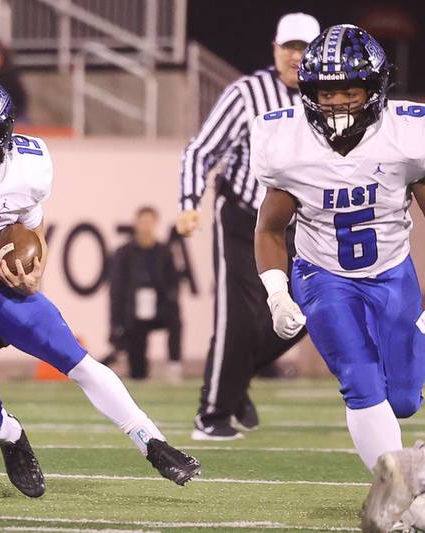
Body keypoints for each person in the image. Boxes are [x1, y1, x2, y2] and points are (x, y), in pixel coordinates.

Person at [0, 72, 201, 499]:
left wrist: (37, 271)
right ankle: (12, 437)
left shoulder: (27, 168)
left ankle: (153, 442)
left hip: (0, 292)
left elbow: (34, 229)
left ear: (1, 132)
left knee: (77, 360)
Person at [252, 23, 425, 525]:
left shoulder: (407, 136)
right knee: (360, 378)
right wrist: (276, 291)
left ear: (376, 90)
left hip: (393, 272)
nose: (341, 102)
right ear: (309, 93)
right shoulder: (286, 142)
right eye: (328, 92)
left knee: (403, 400)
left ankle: (406, 473)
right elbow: (269, 228)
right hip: (323, 275)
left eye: (351, 89)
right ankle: (402, 501)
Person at [176, 12, 321, 440]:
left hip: (301, 224)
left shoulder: (327, 97)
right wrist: (189, 202)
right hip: (243, 217)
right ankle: (213, 414)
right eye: (289, 47)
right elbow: (200, 150)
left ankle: (235, 382)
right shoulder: (246, 93)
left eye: (305, 48)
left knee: (310, 310)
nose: (297, 56)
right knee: (239, 318)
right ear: (275, 50)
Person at [107, 206, 183, 381]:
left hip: (160, 306)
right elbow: (117, 289)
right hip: (134, 309)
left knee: (175, 320)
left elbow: (173, 281)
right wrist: (116, 323)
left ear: (155, 223)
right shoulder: (124, 253)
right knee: (138, 371)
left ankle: (174, 366)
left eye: (149, 221)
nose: (146, 226)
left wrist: (167, 298)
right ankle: (138, 368)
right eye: (142, 221)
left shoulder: (164, 252)